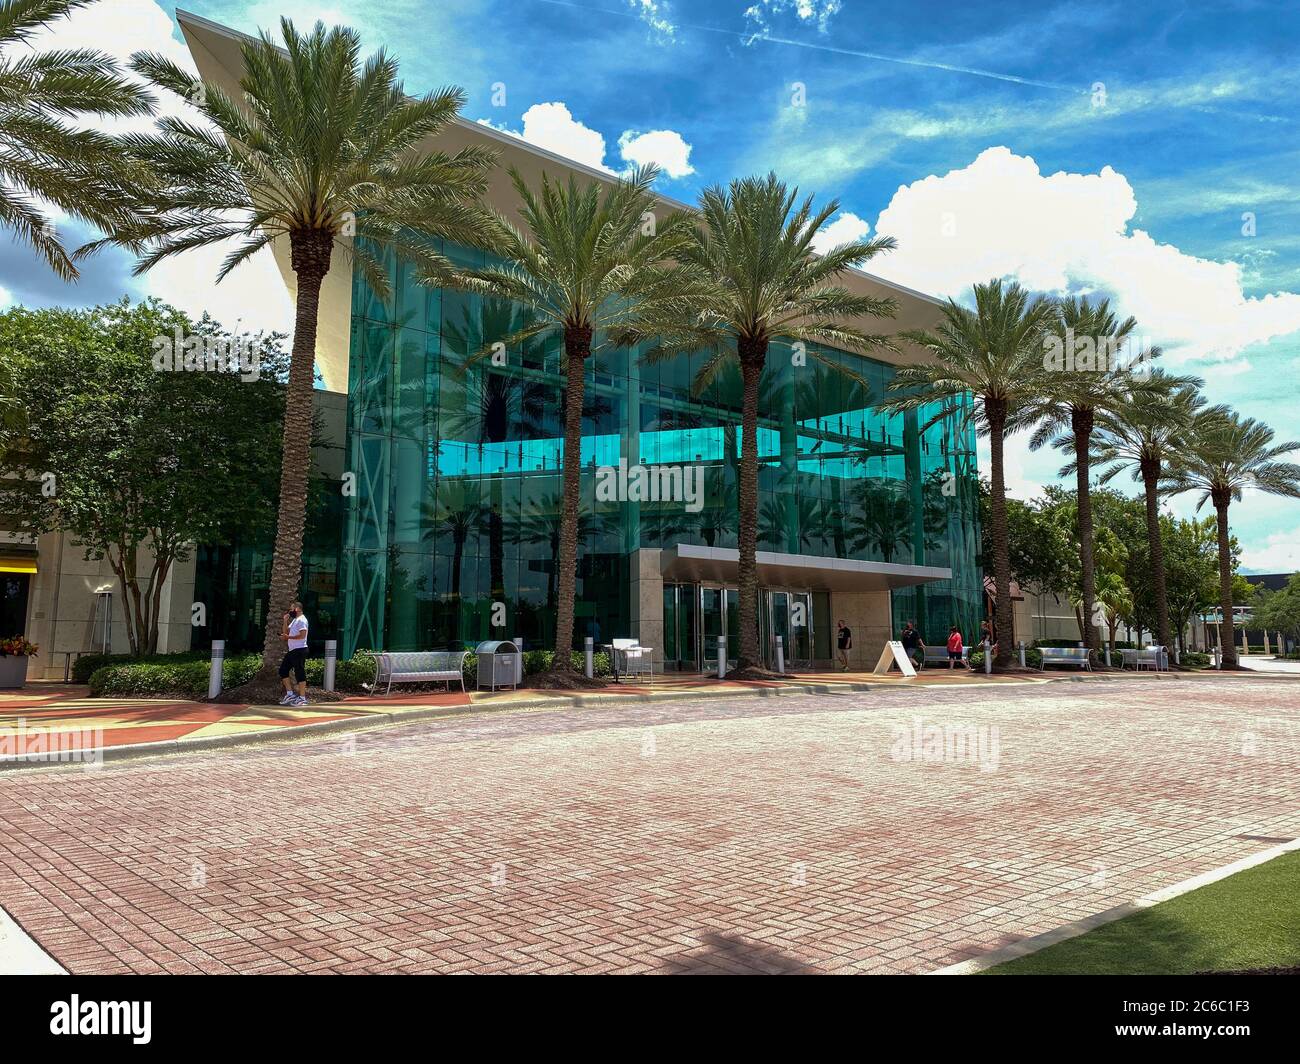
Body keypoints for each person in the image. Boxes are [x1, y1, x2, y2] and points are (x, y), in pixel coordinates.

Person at [278, 600, 310, 706]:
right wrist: (285, 621)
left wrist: (288, 637)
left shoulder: (302, 620)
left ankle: (302, 698)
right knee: (283, 670)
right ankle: (290, 694)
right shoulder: (295, 620)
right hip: (293, 650)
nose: (290, 611)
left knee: (299, 672)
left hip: (300, 649)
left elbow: (302, 635)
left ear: (297, 609)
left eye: (291, 609)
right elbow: (286, 631)